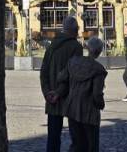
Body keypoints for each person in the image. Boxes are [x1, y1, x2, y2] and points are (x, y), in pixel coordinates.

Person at [55, 35, 108, 152]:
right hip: (89, 112)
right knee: (91, 145)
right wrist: (101, 104)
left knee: (76, 143)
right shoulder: (98, 69)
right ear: (99, 52)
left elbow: (61, 77)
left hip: (72, 109)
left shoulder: (73, 62)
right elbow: (97, 94)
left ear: (88, 48)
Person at [40, 16, 83, 152]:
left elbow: (43, 72)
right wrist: (59, 92)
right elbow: (74, 74)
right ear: (74, 30)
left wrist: (47, 92)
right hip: (69, 97)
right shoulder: (76, 47)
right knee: (76, 136)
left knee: (53, 137)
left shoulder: (52, 46)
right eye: (77, 29)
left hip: (52, 98)